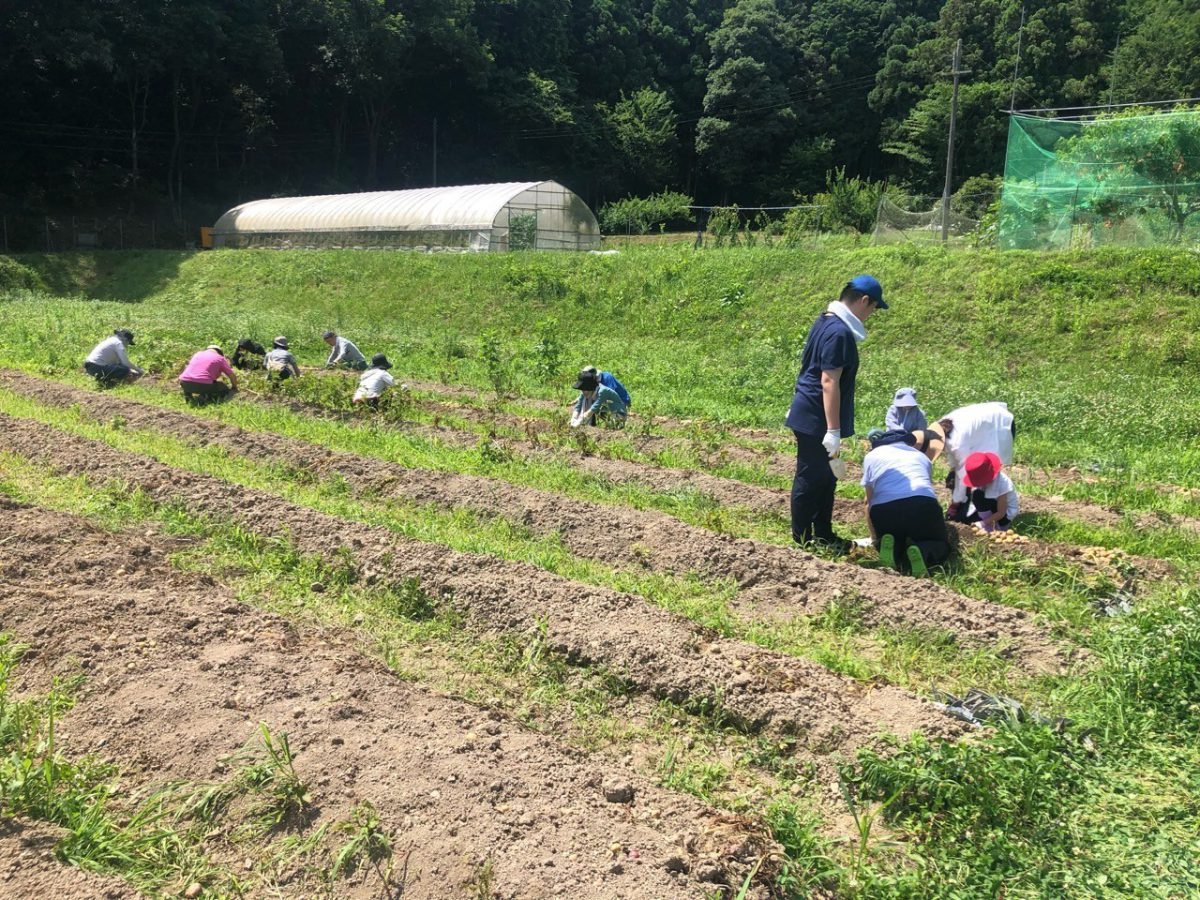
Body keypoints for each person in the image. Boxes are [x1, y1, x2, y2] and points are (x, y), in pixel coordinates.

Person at [785, 274, 887, 553]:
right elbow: (828, 381)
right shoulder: (840, 333)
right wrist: (832, 429)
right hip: (817, 416)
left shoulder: (825, 321)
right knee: (811, 475)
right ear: (864, 301)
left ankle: (824, 534)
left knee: (826, 476)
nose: (870, 315)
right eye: (873, 309)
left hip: (812, 411)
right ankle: (803, 539)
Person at [860, 429, 951, 576]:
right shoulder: (921, 457)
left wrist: (875, 538)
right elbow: (927, 488)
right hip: (921, 504)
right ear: (909, 442)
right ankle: (923, 550)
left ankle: (892, 548)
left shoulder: (871, 456)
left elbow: (868, 501)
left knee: (893, 535)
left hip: (885, 509)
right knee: (937, 542)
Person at [926, 401, 1015, 520]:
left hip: (1000, 424)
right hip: (984, 427)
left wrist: (955, 503)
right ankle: (970, 503)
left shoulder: (957, 443)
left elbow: (963, 473)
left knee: (982, 469)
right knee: (965, 475)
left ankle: (991, 508)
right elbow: (955, 464)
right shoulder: (943, 427)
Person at [958, 451, 1020, 532]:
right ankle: (987, 520)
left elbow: (1001, 512)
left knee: (977, 495)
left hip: (1004, 515)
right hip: (990, 506)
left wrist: (983, 523)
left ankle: (994, 527)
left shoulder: (1002, 484)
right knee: (965, 517)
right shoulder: (982, 479)